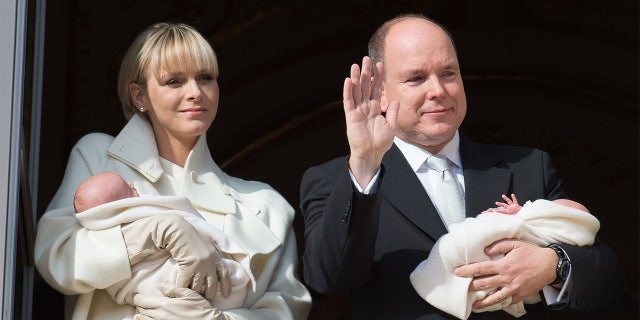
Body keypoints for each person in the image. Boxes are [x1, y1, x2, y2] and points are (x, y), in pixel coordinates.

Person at [299, 13, 623, 319]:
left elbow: (606, 276)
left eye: (448, 73)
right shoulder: (335, 180)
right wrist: (365, 164)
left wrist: (553, 265)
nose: (438, 91)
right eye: (416, 78)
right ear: (381, 92)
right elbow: (329, 278)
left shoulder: (527, 166)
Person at [34, 22, 311, 320]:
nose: (195, 92)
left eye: (205, 77)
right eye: (174, 81)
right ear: (140, 96)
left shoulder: (265, 205)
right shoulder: (99, 156)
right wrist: (154, 232)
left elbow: (288, 309)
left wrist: (216, 319)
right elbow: (57, 257)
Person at [73, 171, 255, 312]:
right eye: (128, 189)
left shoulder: (267, 202)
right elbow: (68, 252)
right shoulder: (94, 150)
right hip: (151, 287)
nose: (132, 183)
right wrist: (152, 231)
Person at [410, 194, 600, 319]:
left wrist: (554, 264)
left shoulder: (537, 163)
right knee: (466, 239)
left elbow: (599, 263)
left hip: (514, 293)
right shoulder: (379, 169)